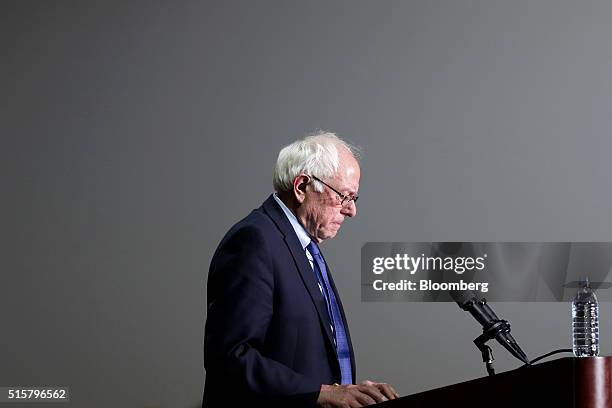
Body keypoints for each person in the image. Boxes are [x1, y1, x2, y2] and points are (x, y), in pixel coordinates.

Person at [203, 132, 399, 407]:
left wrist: (347, 391)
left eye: (354, 198)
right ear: (302, 186)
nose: (351, 210)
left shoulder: (304, 247)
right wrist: (321, 394)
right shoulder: (254, 241)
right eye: (344, 196)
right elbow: (231, 356)